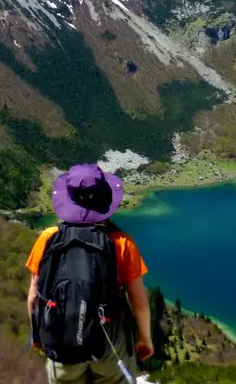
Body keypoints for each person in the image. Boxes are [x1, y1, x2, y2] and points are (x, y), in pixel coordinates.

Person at [26, 164, 154, 383]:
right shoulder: (121, 243)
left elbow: (33, 298)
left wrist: (38, 335)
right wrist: (145, 339)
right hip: (109, 346)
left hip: (61, 346)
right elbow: (139, 302)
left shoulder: (48, 238)